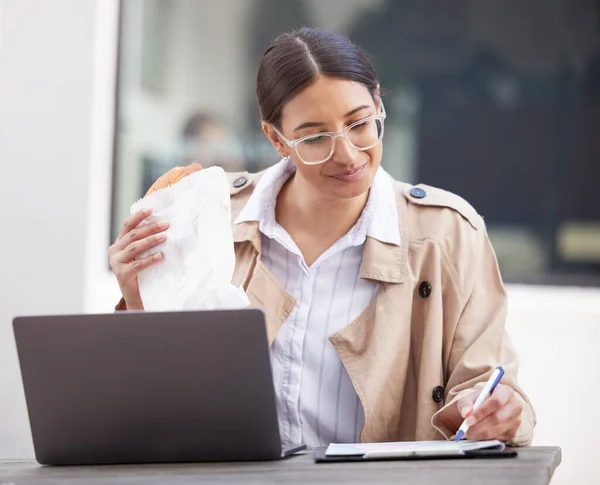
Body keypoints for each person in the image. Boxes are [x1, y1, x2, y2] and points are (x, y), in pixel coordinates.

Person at [109, 28, 535, 449]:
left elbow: (487, 385)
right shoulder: (211, 217)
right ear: (277, 139)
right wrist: (138, 297)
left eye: (360, 124)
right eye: (314, 137)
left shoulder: (448, 234)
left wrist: (496, 411)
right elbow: (155, 396)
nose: (348, 154)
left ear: (379, 106)